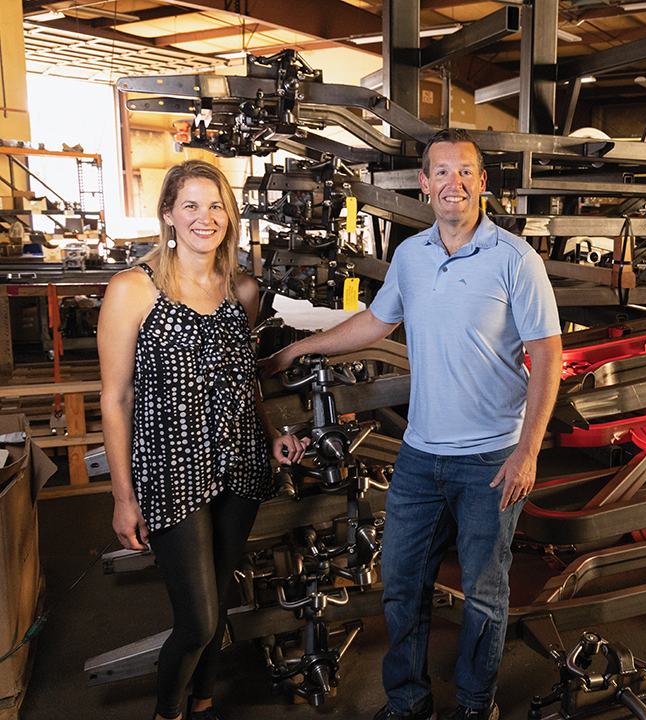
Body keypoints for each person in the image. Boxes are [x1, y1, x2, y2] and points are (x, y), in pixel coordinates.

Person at [261, 128, 563, 720]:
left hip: (491, 459)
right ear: (424, 184)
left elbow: (548, 356)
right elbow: (377, 321)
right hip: (421, 457)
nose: (454, 183)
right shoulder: (411, 255)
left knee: (484, 591)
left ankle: (475, 703)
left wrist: (527, 451)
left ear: (482, 182)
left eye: (465, 172)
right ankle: (407, 702)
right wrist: (299, 348)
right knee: (401, 585)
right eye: (442, 172)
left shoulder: (515, 259)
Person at [98, 159, 305, 720]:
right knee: (198, 620)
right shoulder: (133, 290)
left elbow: (245, 379)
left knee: (221, 592)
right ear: (168, 214)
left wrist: (272, 435)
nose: (204, 217)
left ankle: (204, 702)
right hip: (170, 468)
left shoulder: (242, 289)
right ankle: (167, 712)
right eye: (190, 205)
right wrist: (123, 496)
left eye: (216, 206)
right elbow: (115, 399)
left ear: (229, 217)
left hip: (240, 462)